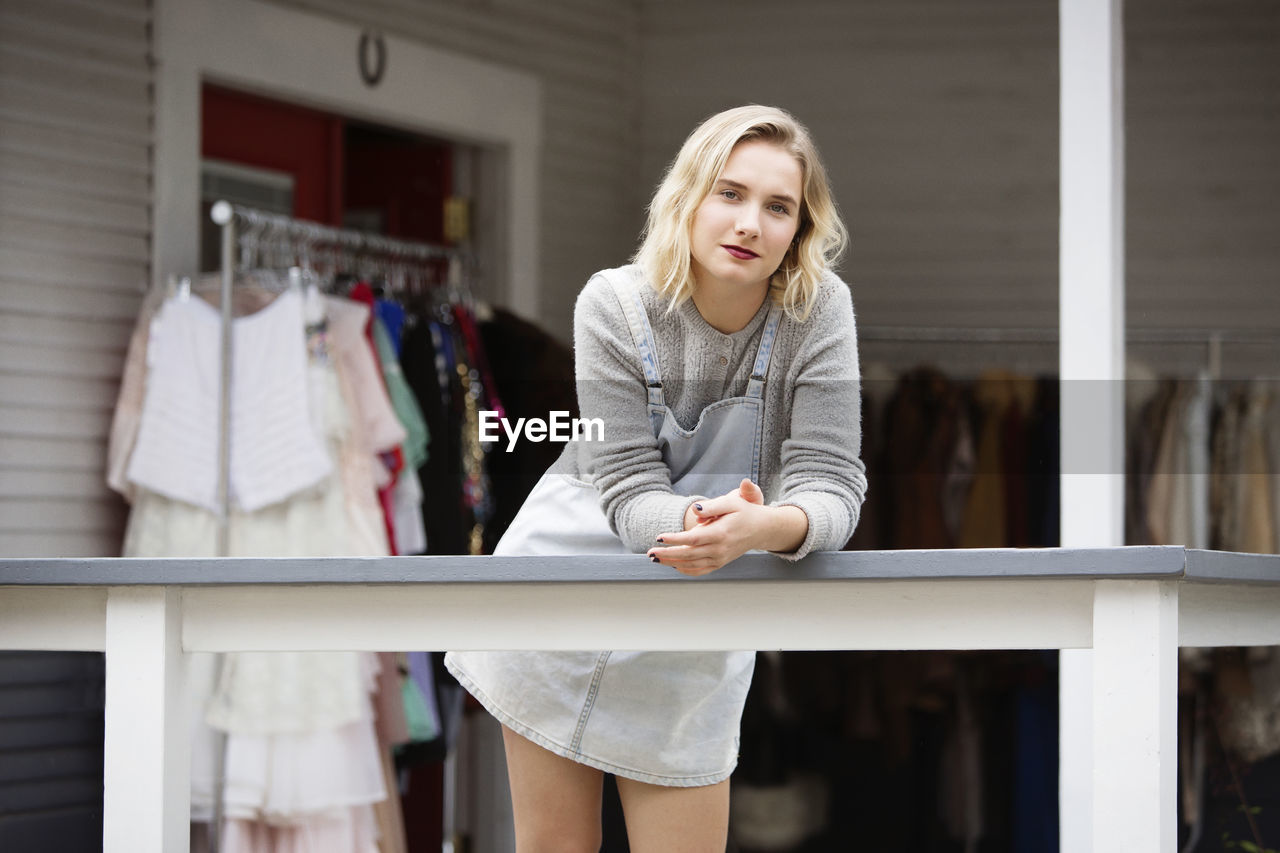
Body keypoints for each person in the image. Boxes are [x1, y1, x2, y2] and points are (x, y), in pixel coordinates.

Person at [445, 104, 867, 851]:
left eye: (778, 207)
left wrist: (766, 528)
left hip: (700, 610)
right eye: (729, 193)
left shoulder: (818, 310)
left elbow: (832, 480)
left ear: (800, 229)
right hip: (561, 595)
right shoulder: (613, 303)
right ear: (689, 199)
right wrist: (704, 525)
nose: (750, 223)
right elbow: (628, 485)